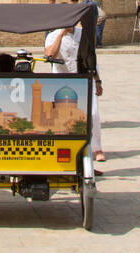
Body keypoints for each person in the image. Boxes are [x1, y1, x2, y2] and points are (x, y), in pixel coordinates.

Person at [45, 15, 105, 162]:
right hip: (62, 80)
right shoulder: (52, 36)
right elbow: (50, 54)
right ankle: (68, 149)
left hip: (83, 79)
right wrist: (61, 34)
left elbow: (91, 58)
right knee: (62, 117)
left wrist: (97, 81)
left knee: (93, 114)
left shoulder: (83, 34)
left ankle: (97, 148)